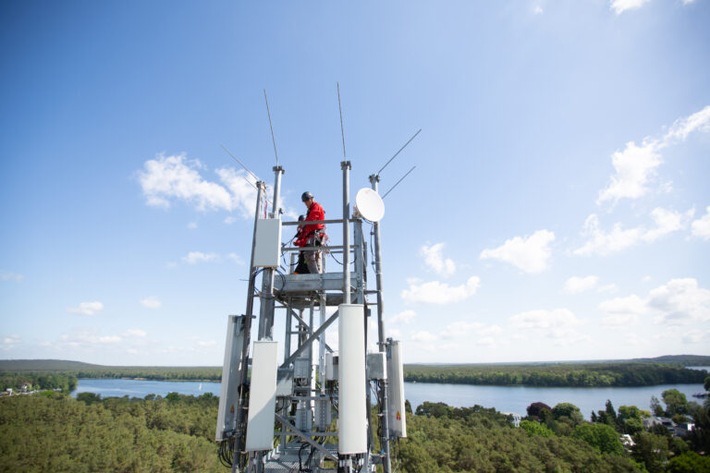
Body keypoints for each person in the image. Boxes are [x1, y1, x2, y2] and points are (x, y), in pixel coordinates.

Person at [300, 191, 325, 273]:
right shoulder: (312, 208)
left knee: (309, 255)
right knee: (315, 255)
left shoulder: (316, 207)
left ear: (311, 199)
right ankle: (318, 274)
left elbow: (312, 219)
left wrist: (304, 224)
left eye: (307, 201)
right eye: (305, 202)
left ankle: (315, 275)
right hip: (315, 234)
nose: (306, 203)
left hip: (316, 234)